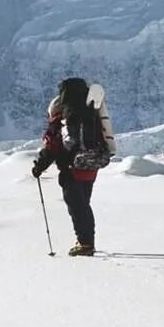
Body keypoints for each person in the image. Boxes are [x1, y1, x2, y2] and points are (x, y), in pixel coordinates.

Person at [31, 78, 108, 257]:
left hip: (72, 169)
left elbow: (51, 147)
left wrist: (39, 167)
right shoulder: (90, 114)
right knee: (84, 205)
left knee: (77, 207)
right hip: (91, 166)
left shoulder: (61, 121)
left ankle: (85, 243)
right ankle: (87, 240)